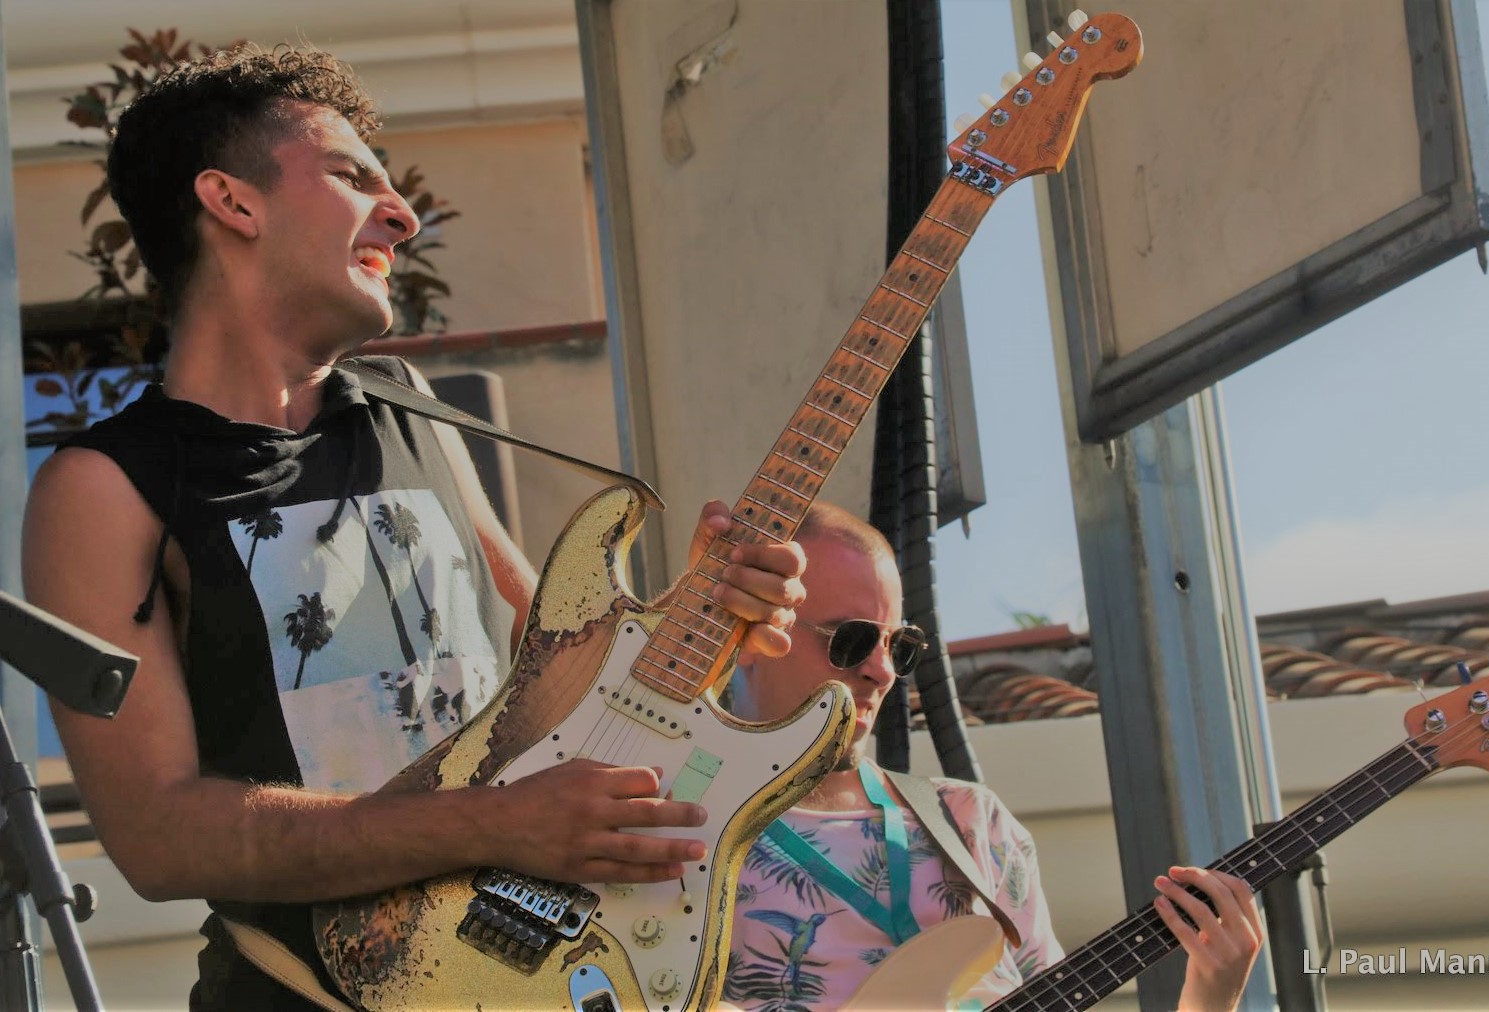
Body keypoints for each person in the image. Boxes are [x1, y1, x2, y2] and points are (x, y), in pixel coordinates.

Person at [20, 44, 809, 1009]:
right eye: (353, 177)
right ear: (234, 203)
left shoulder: (410, 407)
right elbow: (156, 834)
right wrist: (489, 825)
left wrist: (700, 611)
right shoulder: (101, 487)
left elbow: (552, 674)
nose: (400, 213)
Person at [726, 502, 1263, 1012]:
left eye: (898, 645)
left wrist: (1211, 997)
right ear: (749, 635)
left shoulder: (970, 819)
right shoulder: (677, 826)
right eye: (851, 639)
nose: (883, 671)